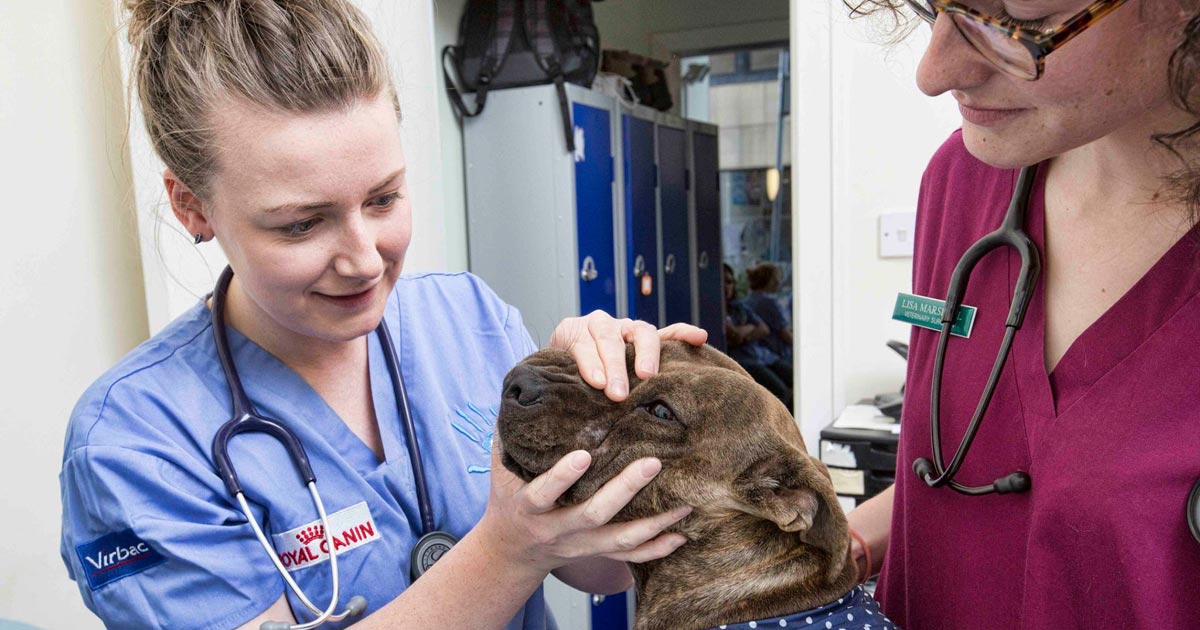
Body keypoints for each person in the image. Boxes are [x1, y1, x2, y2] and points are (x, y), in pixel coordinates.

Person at [58, 1, 707, 628]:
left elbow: (600, 572)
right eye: (302, 224)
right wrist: (509, 552)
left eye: (383, 198)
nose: (366, 261)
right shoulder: (134, 443)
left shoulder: (467, 319)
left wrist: (610, 422)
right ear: (192, 206)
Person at [841, 0, 1200, 626]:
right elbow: (979, 476)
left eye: (1021, 21)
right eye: (937, 8)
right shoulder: (964, 179)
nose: (935, 72)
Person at [723, 264, 793, 410]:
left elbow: (763, 329)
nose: (726, 287)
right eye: (723, 282)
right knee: (781, 391)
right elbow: (734, 335)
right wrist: (750, 328)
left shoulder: (740, 307)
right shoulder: (714, 309)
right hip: (744, 359)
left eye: (730, 282)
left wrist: (745, 334)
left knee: (797, 379)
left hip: (762, 356)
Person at [743, 263, 793, 365]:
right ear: (768, 280)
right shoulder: (769, 303)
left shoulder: (748, 300)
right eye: (776, 278)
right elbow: (785, 334)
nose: (778, 282)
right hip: (777, 355)